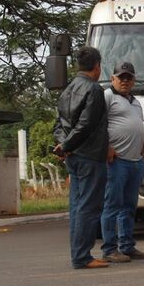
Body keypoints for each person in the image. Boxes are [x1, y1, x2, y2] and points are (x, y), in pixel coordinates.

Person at [53, 46, 109, 269]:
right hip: (90, 156)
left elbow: (59, 125)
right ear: (97, 66)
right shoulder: (94, 89)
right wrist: (67, 145)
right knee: (88, 206)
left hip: (74, 156)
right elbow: (86, 125)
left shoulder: (67, 90)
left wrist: (64, 147)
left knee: (77, 206)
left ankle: (78, 254)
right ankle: (82, 257)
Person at [100, 62, 144, 262]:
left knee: (129, 206)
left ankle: (127, 246)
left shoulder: (135, 102)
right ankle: (109, 250)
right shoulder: (107, 96)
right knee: (112, 205)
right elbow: (97, 125)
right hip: (117, 161)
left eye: (129, 77)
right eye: (121, 77)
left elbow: (141, 128)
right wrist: (107, 147)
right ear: (113, 78)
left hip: (135, 162)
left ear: (133, 80)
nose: (125, 81)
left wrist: (142, 154)